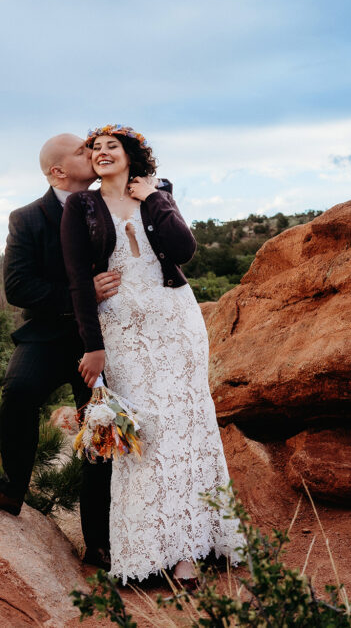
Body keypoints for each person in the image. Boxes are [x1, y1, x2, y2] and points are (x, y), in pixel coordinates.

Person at [60, 124, 244, 584]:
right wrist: (93, 347)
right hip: (122, 332)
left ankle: (192, 549)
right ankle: (153, 548)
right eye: (95, 149)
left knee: (188, 426)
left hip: (176, 323)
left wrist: (154, 199)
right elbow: (78, 279)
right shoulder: (82, 206)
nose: (102, 153)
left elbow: (184, 249)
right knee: (149, 434)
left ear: (131, 156)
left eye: (112, 147)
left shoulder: (158, 192)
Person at [0, 133, 121, 567]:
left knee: (99, 429)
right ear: (58, 171)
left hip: (107, 338)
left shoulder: (112, 203)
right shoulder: (28, 218)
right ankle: (12, 489)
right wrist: (81, 294)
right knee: (18, 392)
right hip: (50, 333)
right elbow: (17, 287)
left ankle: (99, 542)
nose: (92, 153)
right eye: (81, 151)